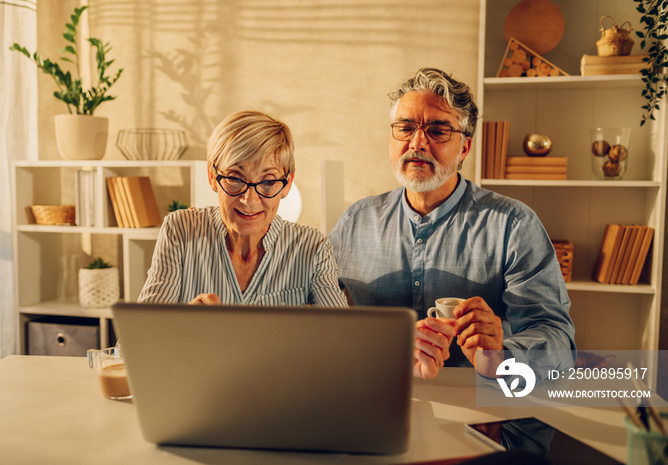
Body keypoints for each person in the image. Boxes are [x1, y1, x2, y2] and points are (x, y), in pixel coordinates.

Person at [329, 68, 575, 379]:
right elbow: (316, 314)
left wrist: (503, 358)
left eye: (438, 130)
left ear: (464, 149)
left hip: (481, 409)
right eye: (405, 128)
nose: (417, 142)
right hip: (371, 394)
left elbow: (557, 339)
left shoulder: (514, 225)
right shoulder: (355, 222)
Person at [139, 110, 347, 308]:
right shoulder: (180, 230)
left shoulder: (313, 248)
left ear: (287, 184)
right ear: (212, 177)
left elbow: (344, 338)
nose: (249, 200)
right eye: (235, 178)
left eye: (267, 181)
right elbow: (138, 338)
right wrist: (184, 322)